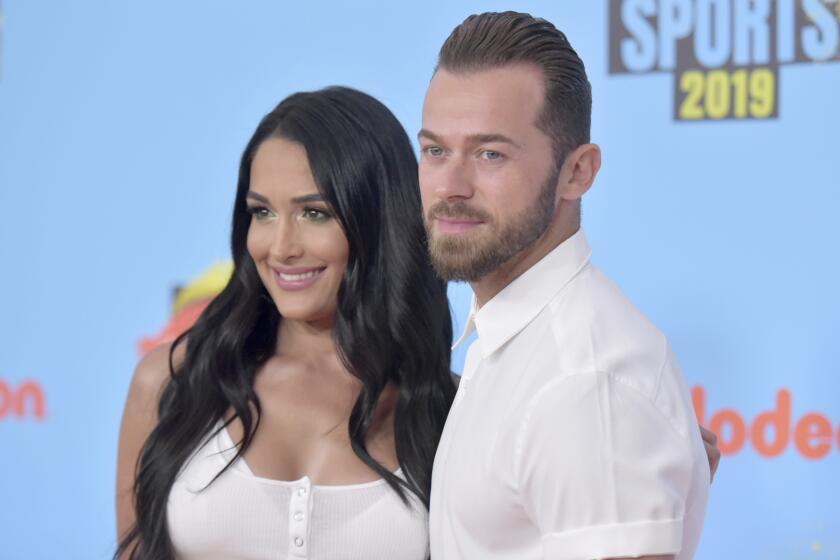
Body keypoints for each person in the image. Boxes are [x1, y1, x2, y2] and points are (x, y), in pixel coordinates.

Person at [115, 86, 456, 559]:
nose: (280, 247)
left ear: (377, 222)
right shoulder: (171, 383)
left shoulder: (449, 409)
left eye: (314, 213)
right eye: (263, 212)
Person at [420, 12, 710, 559]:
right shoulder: (518, 345)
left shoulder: (584, 381)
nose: (450, 186)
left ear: (578, 172)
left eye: (490, 154)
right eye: (436, 150)